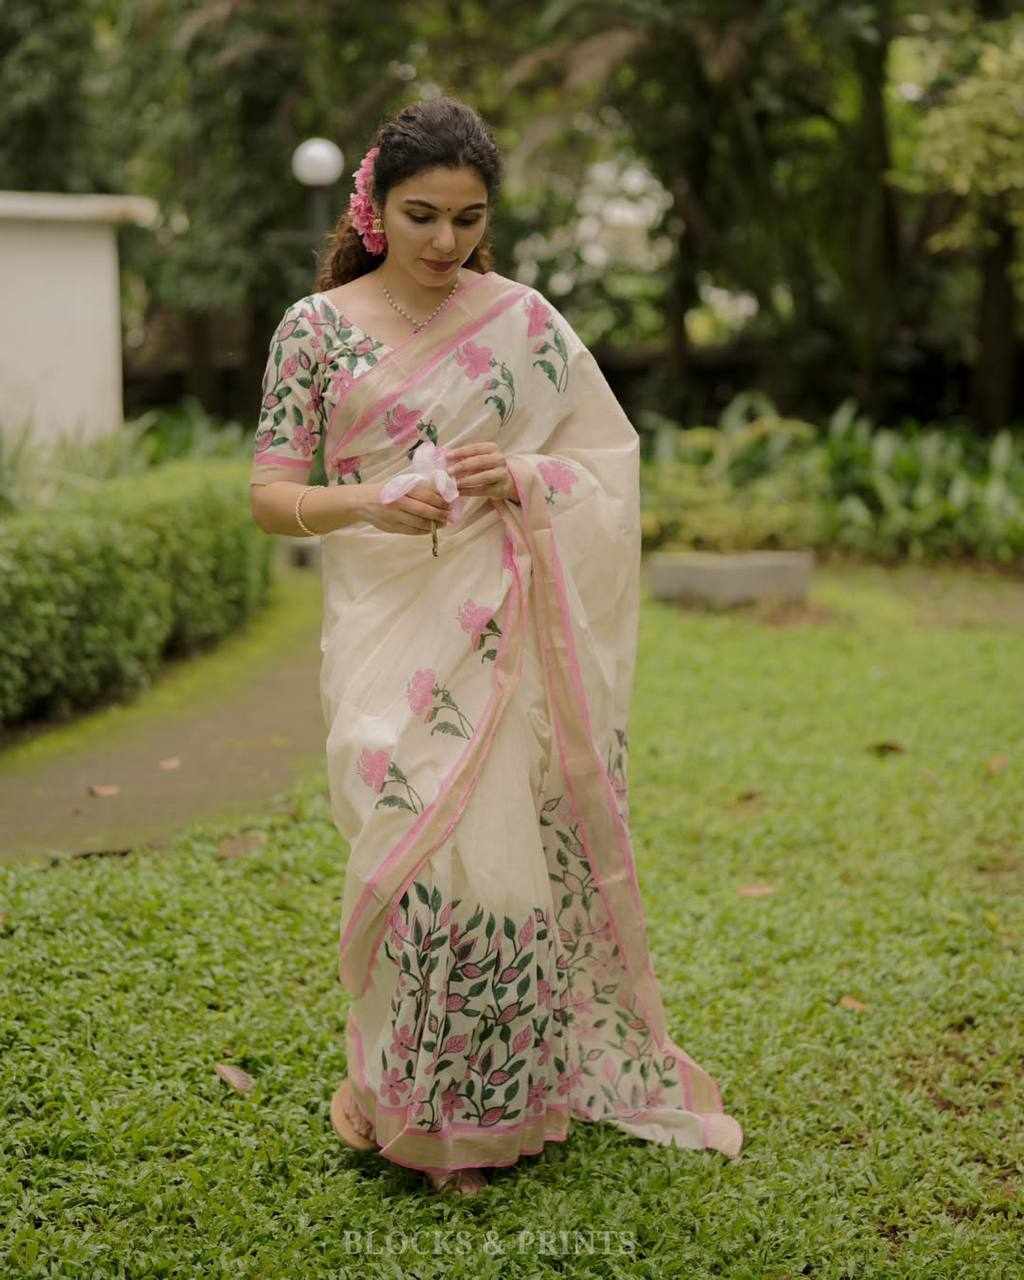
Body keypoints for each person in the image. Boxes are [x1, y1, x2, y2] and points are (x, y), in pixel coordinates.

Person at [249, 95, 743, 1197]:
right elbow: (270, 496)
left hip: (504, 626)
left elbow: (605, 465)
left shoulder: (523, 321)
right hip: (385, 630)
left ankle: (482, 1110)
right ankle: (407, 1098)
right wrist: (373, 500)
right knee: (414, 862)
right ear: (373, 207)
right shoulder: (314, 328)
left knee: (504, 885)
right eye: (421, 215)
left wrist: (519, 475)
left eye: (468, 219)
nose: (445, 242)